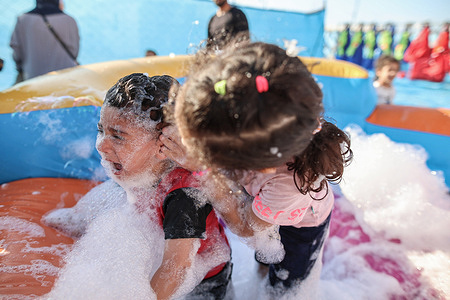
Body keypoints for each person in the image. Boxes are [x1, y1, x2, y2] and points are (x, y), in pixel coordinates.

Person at [161, 42, 353, 296]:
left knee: (287, 281)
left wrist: (204, 173)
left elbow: (249, 227)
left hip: (303, 224)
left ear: (260, 166)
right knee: (266, 256)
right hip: (267, 201)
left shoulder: (289, 184)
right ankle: (261, 274)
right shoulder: (247, 100)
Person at [44, 73, 232, 299]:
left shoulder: (184, 196)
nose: (102, 145)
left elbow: (176, 268)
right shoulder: (135, 171)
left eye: (118, 136)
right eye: (101, 130)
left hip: (203, 281)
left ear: (165, 142)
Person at [9, 0, 79, 82]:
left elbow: (16, 49)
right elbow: (74, 51)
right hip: (65, 76)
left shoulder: (23, 19)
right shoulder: (69, 20)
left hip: (33, 77)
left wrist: (21, 68)